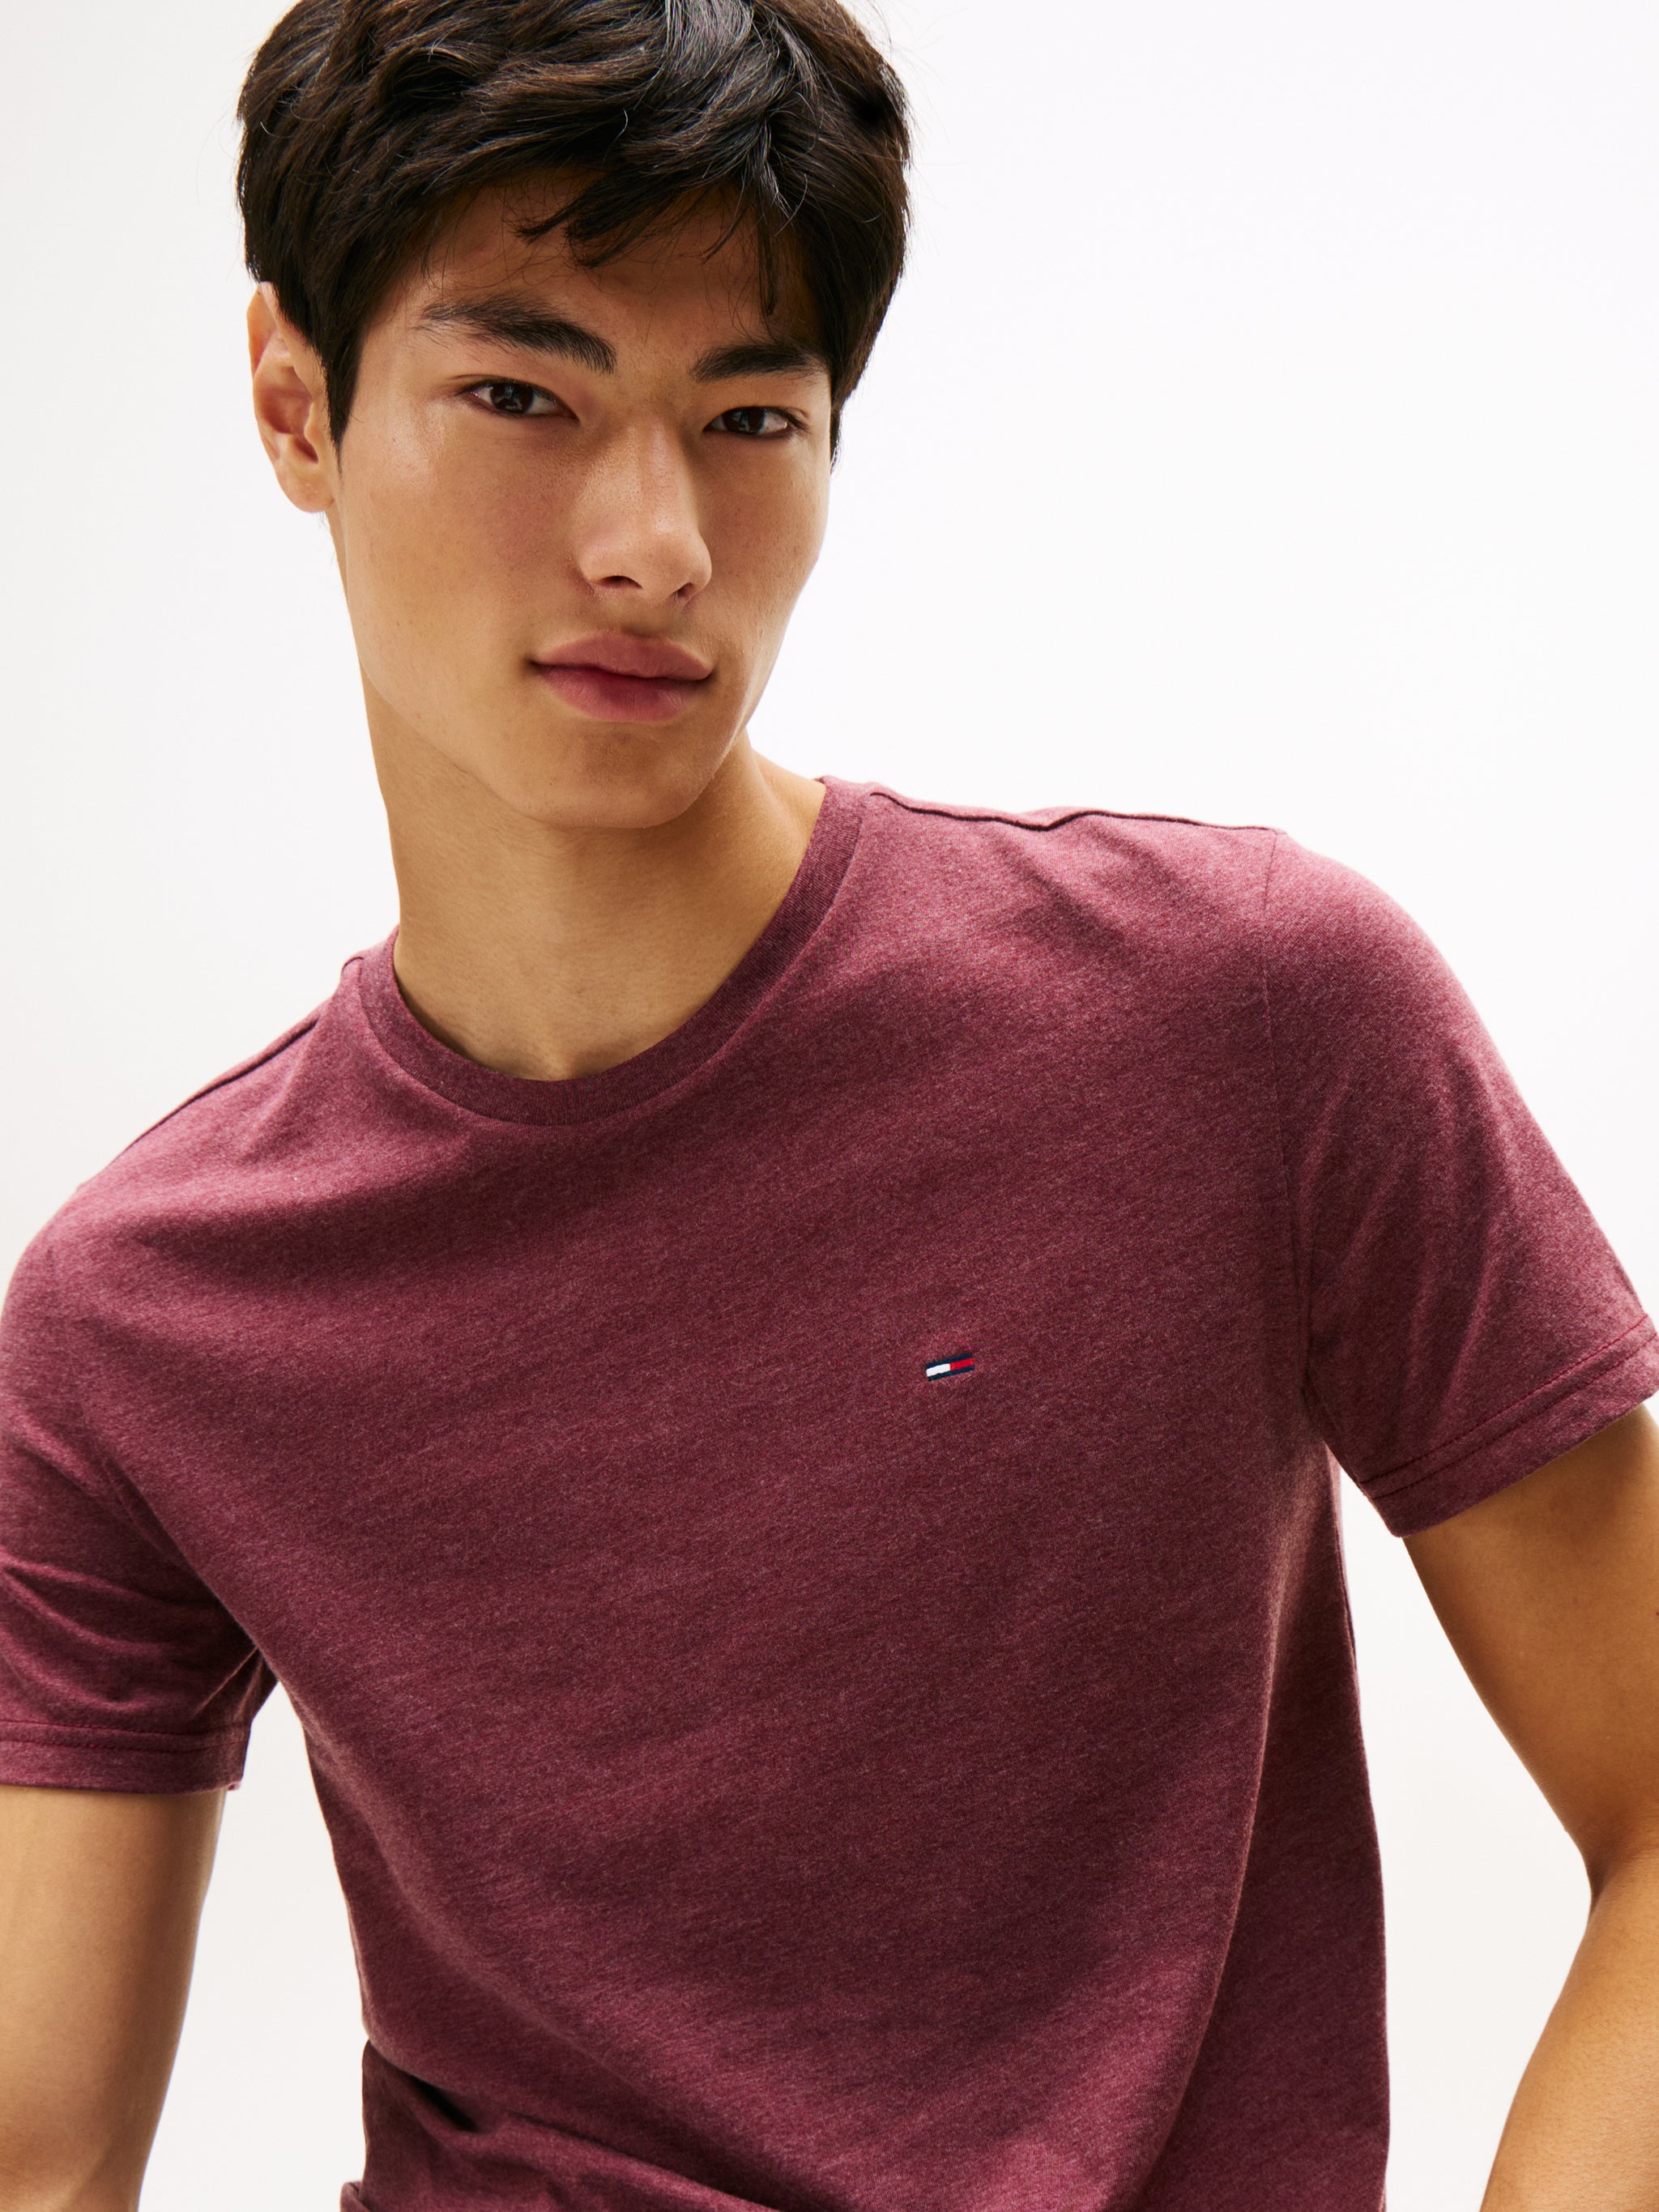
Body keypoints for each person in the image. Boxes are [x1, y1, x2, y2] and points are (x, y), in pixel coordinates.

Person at [2, 1, 1657, 2206]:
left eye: (749, 418)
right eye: (524, 396)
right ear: (296, 403)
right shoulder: (137, 1319)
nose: (655, 542)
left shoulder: (1250, 1017)